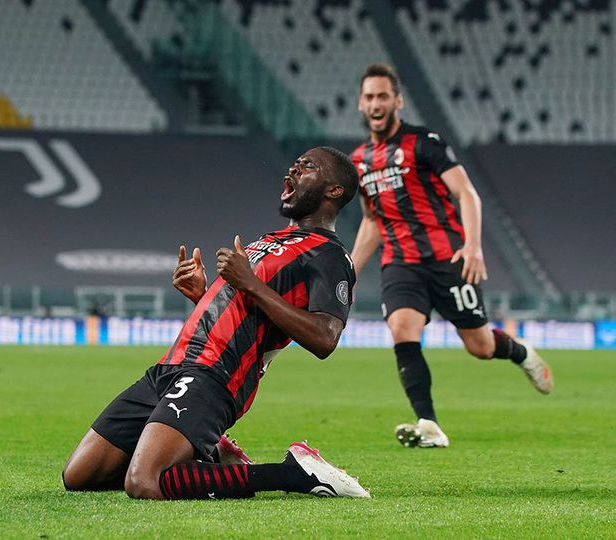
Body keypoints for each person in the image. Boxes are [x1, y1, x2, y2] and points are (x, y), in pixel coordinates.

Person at [62, 147, 371, 499]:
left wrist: (250, 283)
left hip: (216, 376)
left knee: (145, 482)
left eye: (308, 166)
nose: (295, 168)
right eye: (296, 163)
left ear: (334, 191)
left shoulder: (329, 256)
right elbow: (246, 312)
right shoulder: (272, 241)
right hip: (171, 366)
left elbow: (325, 338)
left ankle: (292, 473)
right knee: (80, 475)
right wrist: (202, 294)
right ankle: (210, 458)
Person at [348, 64, 554, 448]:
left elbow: (467, 194)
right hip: (400, 263)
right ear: (361, 103)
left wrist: (472, 245)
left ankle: (520, 352)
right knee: (401, 329)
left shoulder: (424, 142)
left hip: (446, 259)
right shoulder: (359, 160)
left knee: (480, 347)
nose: (375, 103)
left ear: (397, 100)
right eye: (369, 96)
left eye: (382, 96)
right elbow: (372, 221)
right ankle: (429, 424)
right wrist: (350, 270)